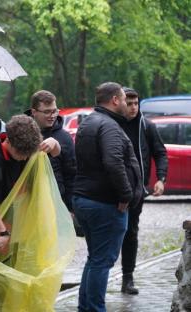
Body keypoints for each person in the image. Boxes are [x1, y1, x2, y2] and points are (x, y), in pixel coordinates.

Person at [73, 82, 143, 312]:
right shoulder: (109, 126)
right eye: (124, 99)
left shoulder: (89, 122)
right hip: (105, 204)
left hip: (86, 200)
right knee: (102, 261)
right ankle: (94, 308)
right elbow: (113, 162)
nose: (126, 103)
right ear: (114, 100)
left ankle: (86, 307)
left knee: (95, 259)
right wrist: (126, 194)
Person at [120, 87, 168, 294]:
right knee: (112, 234)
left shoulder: (146, 126)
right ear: (119, 102)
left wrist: (161, 179)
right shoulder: (111, 125)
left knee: (130, 233)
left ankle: (127, 278)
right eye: (128, 103)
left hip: (137, 191)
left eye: (135, 103)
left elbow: (160, 153)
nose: (132, 107)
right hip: (111, 190)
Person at [0, 115, 44, 253]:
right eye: (21, 153)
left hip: (21, 222)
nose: (25, 157)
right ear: (8, 141)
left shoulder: (27, 149)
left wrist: (54, 144)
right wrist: (3, 232)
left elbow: (55, 152)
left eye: (28, 154)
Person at [26, 90, 76, 212]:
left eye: (54, 111)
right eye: (47, 112)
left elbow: (71, 174)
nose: (52, 115)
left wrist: (69, 207)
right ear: (34, 112)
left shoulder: (65, 137)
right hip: (27, 202)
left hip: (56, 203)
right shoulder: (23, 133)